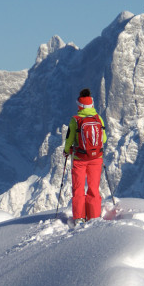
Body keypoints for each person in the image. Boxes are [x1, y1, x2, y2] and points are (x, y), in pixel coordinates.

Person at [63, 88, 107, 223]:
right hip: (96, 159)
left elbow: (69, 139)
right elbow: (103, 139)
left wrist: (66, 150)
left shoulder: (75, 120)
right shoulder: (98, 118)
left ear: (79, 105)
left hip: (79, 159)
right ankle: (94, 217)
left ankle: (79, 218)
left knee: (78, 189)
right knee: (94, 188)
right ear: (92, 104)